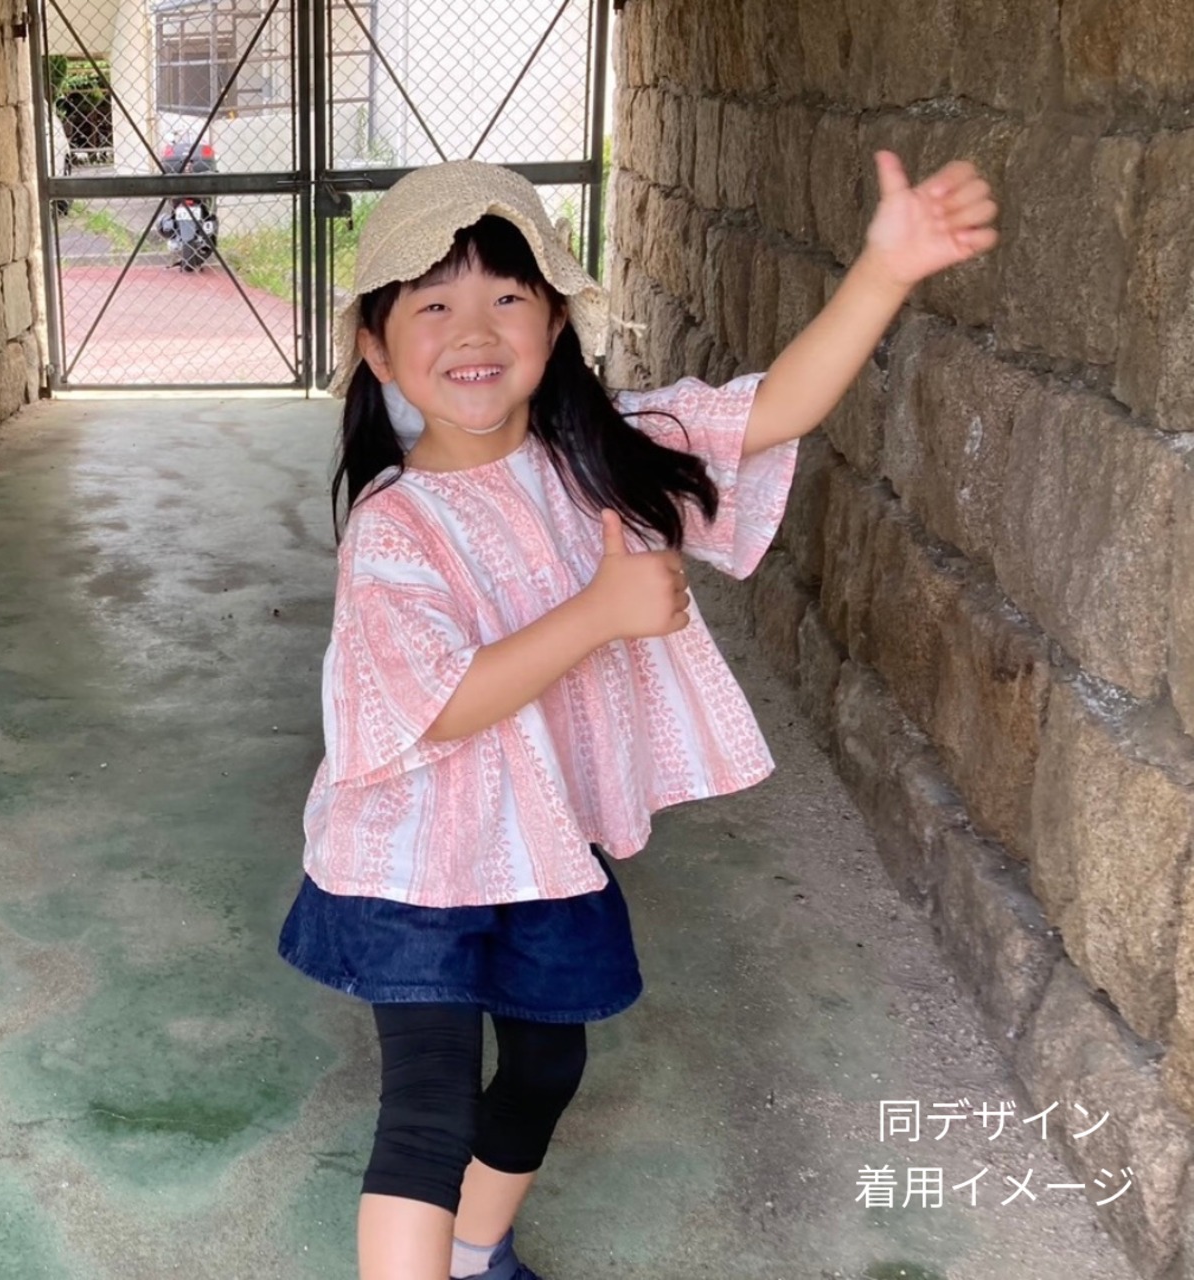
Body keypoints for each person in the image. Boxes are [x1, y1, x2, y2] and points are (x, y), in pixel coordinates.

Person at [278, 155, 998, 1280]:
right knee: (426, 1110)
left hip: (540, 842)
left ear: (556, 322)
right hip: (410, 857)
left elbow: (772, 410)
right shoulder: (393, 525)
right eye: (432, 304)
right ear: (375, 346)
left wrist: (886, 269)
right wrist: (600, 612)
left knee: (545, 1066)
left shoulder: (599, 454)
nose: (475, 329)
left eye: (508, 295)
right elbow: (442, 706)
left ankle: (473, 1251)